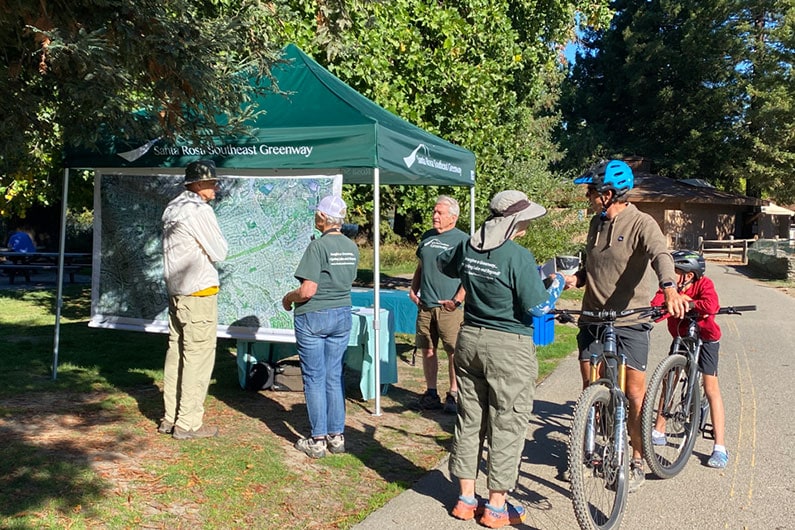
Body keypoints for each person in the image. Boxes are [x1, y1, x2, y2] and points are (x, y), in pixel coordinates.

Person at [562, 159, 689, 492]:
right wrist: (574, 278)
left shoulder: (642, 223)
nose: (588, 196)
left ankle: (634, 459)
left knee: (634, 393)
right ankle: (587, 453)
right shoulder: (595, 223)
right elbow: (591, 265)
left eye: (591, 190)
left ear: (608, 193)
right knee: (590, 386)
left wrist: (670, 287)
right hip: (592, 317)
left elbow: (661, 254)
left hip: (630, 320)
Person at [438, 190, 553, 529]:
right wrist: (555, 284)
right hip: (509, 344)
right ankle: (497, 506)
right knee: (507, 422)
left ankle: (465, 499)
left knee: (470, 418)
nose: (529, 224)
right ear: (515, 221)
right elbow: (538, 307)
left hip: (470, 338)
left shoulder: (469, 246)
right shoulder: (518, 256)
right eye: (526, 218)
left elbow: (445, 264)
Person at [282, 195, 360, 459]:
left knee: (314, 377)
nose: (315, 217)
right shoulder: (352, 246)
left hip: (314, 316)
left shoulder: (318, 247)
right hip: (341, 314)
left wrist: (288, 298)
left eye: (317, 213)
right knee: (333, 374)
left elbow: (307, 290)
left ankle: (317, 440)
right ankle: (337, 436)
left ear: (325, 218)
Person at [160, 159, 229, 440]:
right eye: (211, 181)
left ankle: (170, 417)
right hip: (198, 292)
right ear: (198, 184)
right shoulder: (199, 210)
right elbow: (220, 251)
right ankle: (187, 423)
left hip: (177, 292)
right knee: (198, 358)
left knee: (176, 354)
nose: (216, 185)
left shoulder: (173, 206)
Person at [650, 250, 729, 468]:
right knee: (669, 380)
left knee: (711, 388)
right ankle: (659, 428)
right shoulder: (670, 288)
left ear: (688, 275)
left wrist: (690, 303)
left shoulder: (704, 284)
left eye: (674, 271)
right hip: (681, 338)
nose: (670, 274)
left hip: (706, 338)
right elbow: (656, 306)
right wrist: (664, 305)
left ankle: (720, 447)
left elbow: (711, 305)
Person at [408, 195, 469, 414]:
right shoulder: (427, 237)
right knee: (428, 348)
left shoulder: (463, 240)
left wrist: (457, 300)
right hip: (425, 305)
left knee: (453, 351)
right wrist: (413, 289)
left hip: (449, 308)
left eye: (440, 213)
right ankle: (431, 392)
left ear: (453, 216)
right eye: (434, 212)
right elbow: (420, 266)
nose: (435, 216)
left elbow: (469, 274)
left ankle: (453, 393)